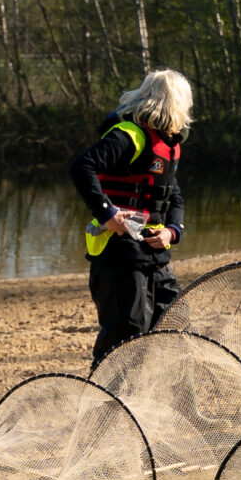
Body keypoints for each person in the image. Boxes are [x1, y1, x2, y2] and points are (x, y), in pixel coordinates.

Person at [70, 67, 192, 368]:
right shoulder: (128, 136)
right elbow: (81, 167)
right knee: (126, 337)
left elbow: (173, 196)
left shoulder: (170, 144)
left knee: (177, 325)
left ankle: (179, 409)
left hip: (153, 257)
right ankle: (107, 412)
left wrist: (171, 232)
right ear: (174, 102)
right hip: (118, 255)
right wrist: (107, 213)